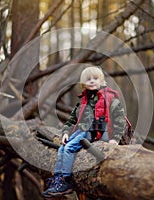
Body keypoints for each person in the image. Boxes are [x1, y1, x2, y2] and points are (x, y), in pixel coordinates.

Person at [42, 66, 126, 198]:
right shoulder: (82, 102)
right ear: (83, 84)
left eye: (95, 78)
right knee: (61, 148)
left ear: (102, 82)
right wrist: (65, 132)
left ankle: (66, 181)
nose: (92, 81)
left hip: (97, 133)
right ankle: (58, 178)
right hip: (81, 131)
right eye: (88, 79)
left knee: (69, 148)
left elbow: (120, 121)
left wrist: (115, 138)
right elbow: (71, 120)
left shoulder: (110, 100)